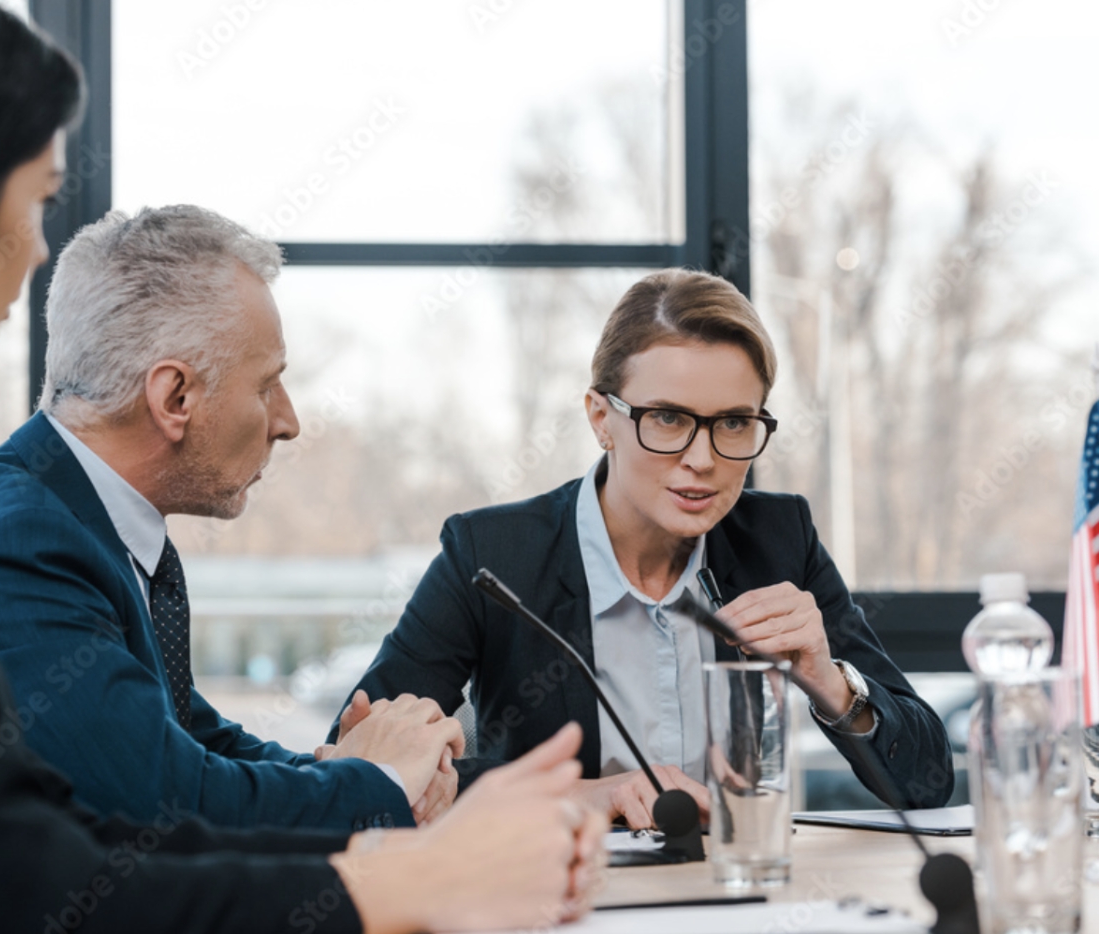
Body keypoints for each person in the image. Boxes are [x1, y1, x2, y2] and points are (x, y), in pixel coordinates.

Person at [0, 1, 605, 931]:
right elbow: (30, 870)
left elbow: (57, 823)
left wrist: (410, 825)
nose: (43, 246)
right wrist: (407, 874)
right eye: (38, 198)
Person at [335, 268, 955, 827]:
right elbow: (355, 766)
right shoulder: (492, 555)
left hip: (738, 898)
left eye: (734, 423)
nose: (702, 459)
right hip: (557, 903)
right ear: (601, 418)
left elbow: (927, 783)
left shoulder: (777, 539)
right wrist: (585, 796)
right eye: (666, 418)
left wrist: (831, 681)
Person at [0, 205, 460, 832]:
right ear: (175, 398)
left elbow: (202, 747)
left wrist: (367, 771)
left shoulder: (84, 519)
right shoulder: (23, 541)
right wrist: (373, 781)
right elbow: (166, 800)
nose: (288, 421)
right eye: (268, 384)